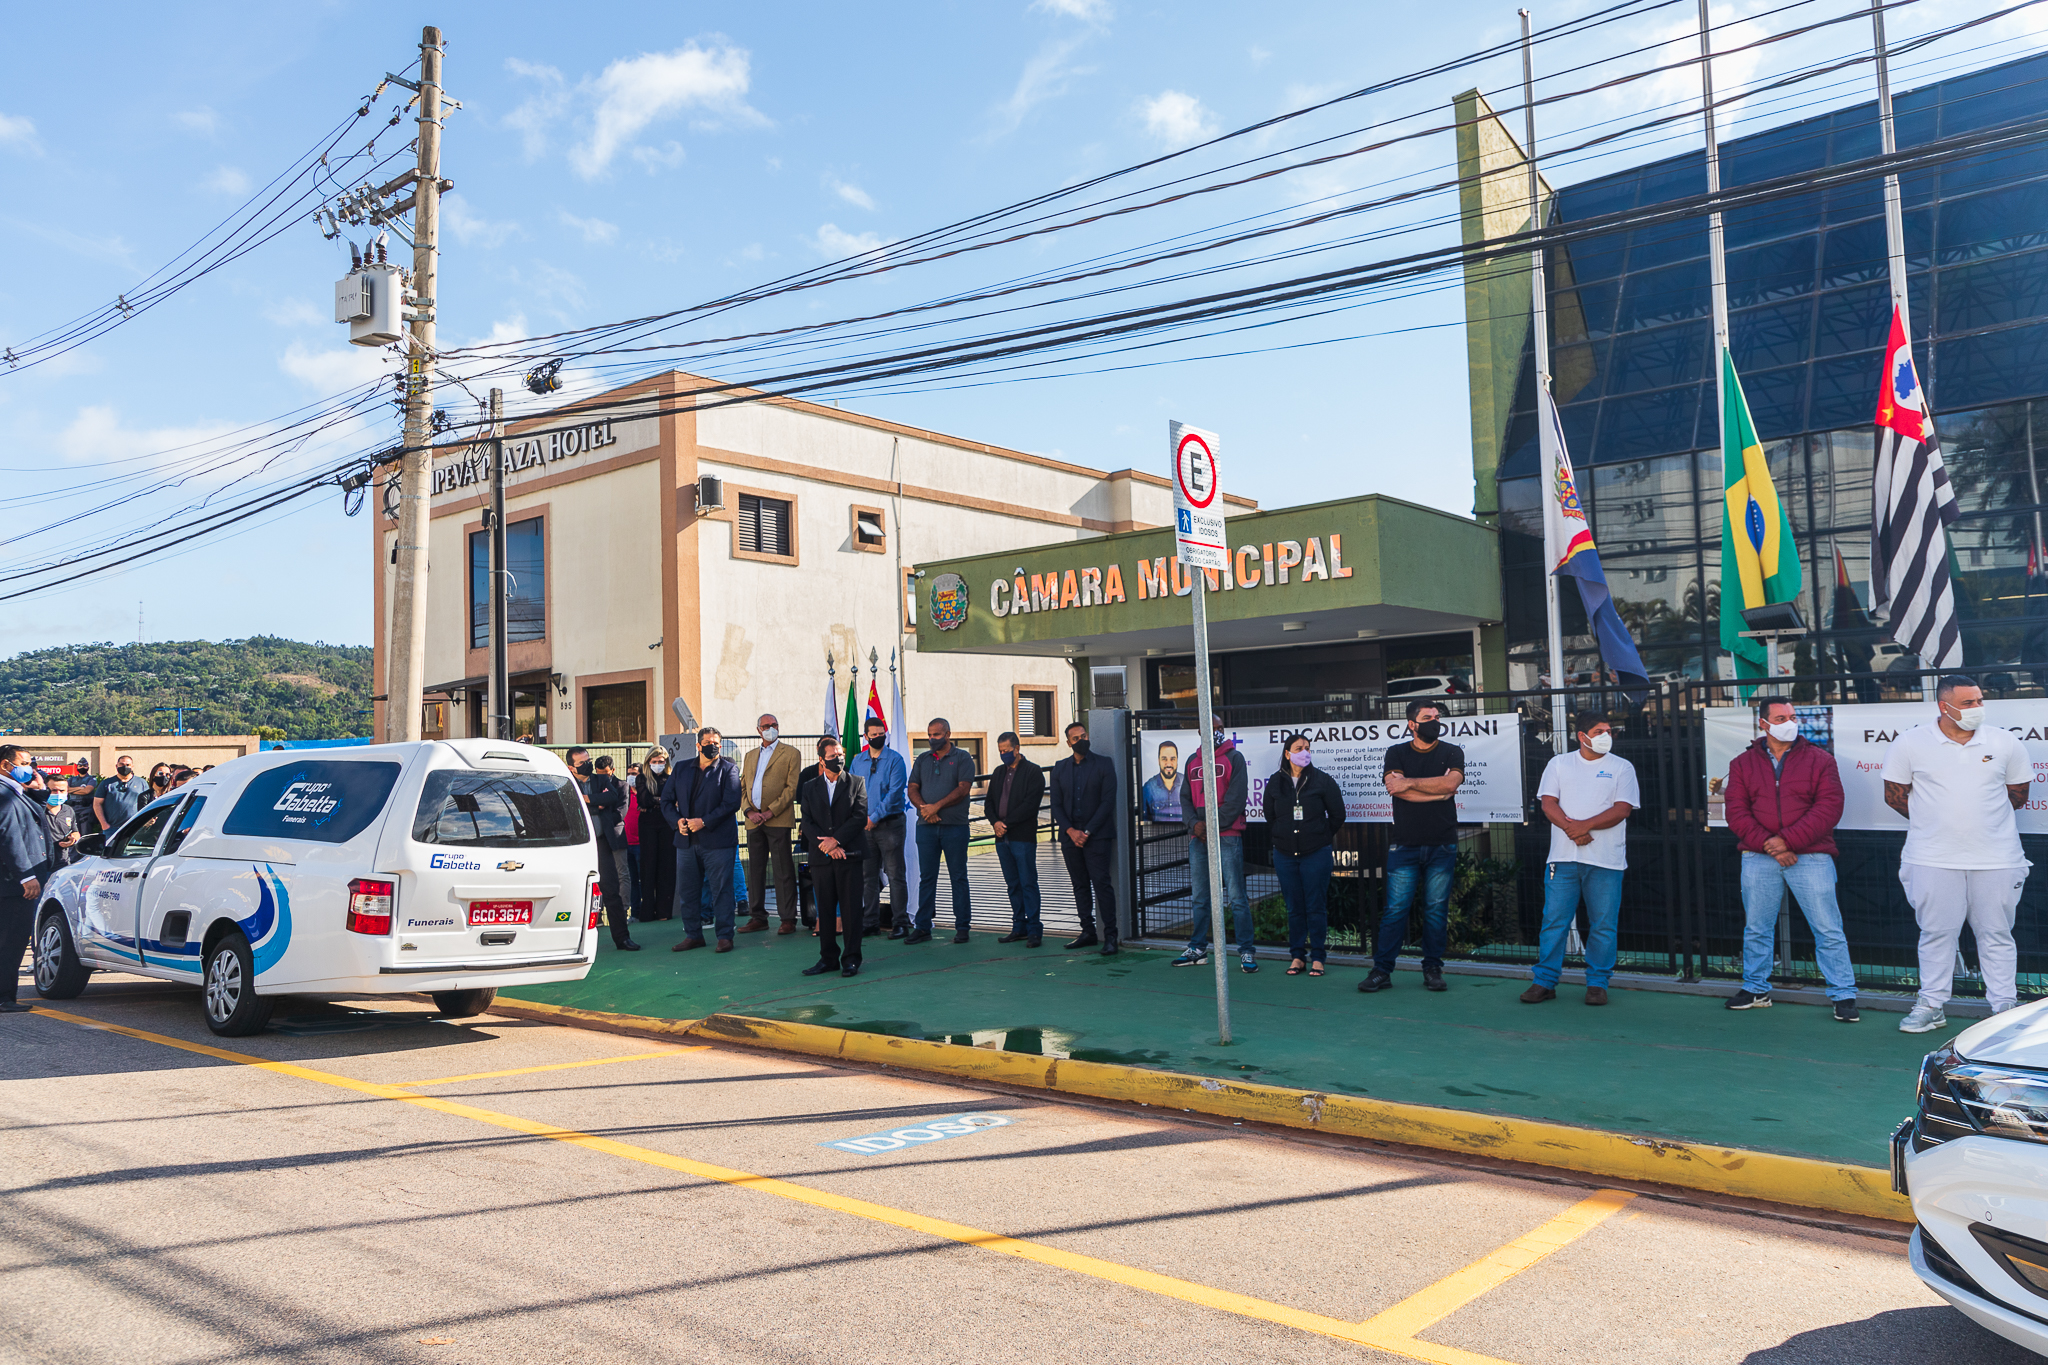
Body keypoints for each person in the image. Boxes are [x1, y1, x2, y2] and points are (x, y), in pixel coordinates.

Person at [1883, 675, 2034, 1032]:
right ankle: (1932, 1005)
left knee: (1997, 934)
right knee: (1936, 934)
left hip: (1997, 858)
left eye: (1979, 700)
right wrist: (1936, 823)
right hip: (1931, 858)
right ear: (1943, 706)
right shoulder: (1909, 743)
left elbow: (2019, 795)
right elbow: (1894, 796)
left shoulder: (2005, 742)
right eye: (1968, 703)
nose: (1977, 708)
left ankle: (2003, 1010)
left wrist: (1978, 825)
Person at [1723, 696, 1857, 1021]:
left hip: (1810, 856)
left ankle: (1843, 995)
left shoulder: (1821, 760)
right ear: (1763, 724)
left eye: (1793, 716)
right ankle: (1756, 988)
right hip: (1759, 856)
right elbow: (1736, 811)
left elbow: (1829, 808)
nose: (1790, 723)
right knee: (1757, 927)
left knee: (1827, 928)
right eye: (1781, 718)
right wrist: (1769, 844)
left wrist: (1787, 842)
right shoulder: (1742, 764)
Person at [1523, 714, 1640, 1007]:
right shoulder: (1559, 763)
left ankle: (1597, 984)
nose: (1606, 735)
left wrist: (1582, 826)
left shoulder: (1622, 767)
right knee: (1554, 921)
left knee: (1603, 924)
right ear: (1581, 736)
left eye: (1609, 731)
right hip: (1563, 859)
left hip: (1606, 861)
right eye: (1599, 731)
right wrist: (1571, 829)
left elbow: (1622, 809)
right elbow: (1548, 803)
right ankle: (1544, 982)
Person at [1361, 701, 1467, 994]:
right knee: (1395, 911)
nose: (1435, 721)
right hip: (1404, 846)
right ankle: (1382, 970)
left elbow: (1451, 785)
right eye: (1427, 717)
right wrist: (1435, 790)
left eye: (1437, 717)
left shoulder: (1452, 751)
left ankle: (1433, 969)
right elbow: (1396, 789)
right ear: (1412, 724)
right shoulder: (1396, 752)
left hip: (1441, 845)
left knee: (1435, 911)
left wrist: (1411, 784)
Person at [1265, 732, 1346, 977]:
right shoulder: (1275, 782)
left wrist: (1320, 836)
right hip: (1285, 854)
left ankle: (1318, 957)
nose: (1305, 752)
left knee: (1316, 906)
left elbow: (1337, 815)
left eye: (1308, 748)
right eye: (1299, 748)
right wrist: (1283, 835)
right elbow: (1270, 816)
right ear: (1288, 754)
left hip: (1316, 853)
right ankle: (1297, 956)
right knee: (1294, 907)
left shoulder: (1322, 781)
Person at [1170, 723, 1248, 971]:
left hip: (1227, 836)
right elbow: (1184, 798)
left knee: (1237, 897)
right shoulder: (1193, 760)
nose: (1217, 730)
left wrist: (1211, 826)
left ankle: (1246, 951)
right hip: (1198, 839)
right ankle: (1198, 948)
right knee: (1200, 897)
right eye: (1211, 726)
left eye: (1220, 727)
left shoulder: (1235, 757)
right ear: (1200, 730)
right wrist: (1195, 825)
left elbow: (1236, 799)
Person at [661, 727, 742, 952]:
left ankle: (725, 936)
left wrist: (704, 822)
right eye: (707, 742)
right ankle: (693, 935)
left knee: (722, 890)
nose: (712, 745)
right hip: (686, 842)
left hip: (718, 843)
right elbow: (666, 801)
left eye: (716, 742)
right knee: (688, 892)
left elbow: (732, 803)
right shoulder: (681, 768)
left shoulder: (729, 769)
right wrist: (677, 822)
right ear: (698, 745)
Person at [799, 737, 869, 978]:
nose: (838, 759)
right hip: (821, 859)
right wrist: (827, 846)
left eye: (840, 755)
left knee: (851, 911)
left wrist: (835, 841)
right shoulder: (809, 787)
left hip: (849, 856)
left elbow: (859, 817)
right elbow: (807, 822)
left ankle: (851, 959)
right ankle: (828, 958)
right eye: (832, 756)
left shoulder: (856, 783)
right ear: (821, 760)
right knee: (825, 910)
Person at [1052, 720, 1122, 956]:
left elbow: (1107, 802)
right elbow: (1056, 805)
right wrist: (1071, 831)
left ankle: (1111, 936)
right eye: (1076, 738)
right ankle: (1087, 932)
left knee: (1101, 884)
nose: (1082, 741)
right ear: (1068, 743)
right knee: (1079, 885)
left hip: (1097, 836)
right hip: (1070, 837)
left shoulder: (1104, 764)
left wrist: (1088, 832)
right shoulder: (1060, 768)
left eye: (1084, 736)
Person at [907, 719, 979, 945]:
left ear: (948, 734)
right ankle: (923, 926)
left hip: (955, 827)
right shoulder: (923, 759)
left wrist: (936, 807)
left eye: (937, 734)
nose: (932, 739)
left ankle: (962, 927)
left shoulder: (963, 758)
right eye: (929, 734)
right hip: (926, 828)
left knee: (958, 876)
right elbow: (912, 788)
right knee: (927, 878)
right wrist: (924, 809)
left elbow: (963, 788)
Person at [739, 713, 801, 935]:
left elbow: (791, 789)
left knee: (783, 869)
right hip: (753, 821)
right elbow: (744, 787)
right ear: (758, 730)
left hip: (778, 820)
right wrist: (748, 811)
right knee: (755, 871)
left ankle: (788, 919)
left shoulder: (792, 753)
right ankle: (758, 917)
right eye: (766, 726)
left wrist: (769, 812)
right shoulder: (749, 755)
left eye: (774, 725)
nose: (771, 728)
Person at [0, 751, 52, 1013]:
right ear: (5, 765)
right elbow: (9, 837)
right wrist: (26, 875)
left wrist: (39, 788)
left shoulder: (14, 791)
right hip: (12, 884)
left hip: (12, 882)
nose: (30, 769)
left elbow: (33, 815)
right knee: (11, 941)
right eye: (23, 764)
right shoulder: (4, 793)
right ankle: (4, 998)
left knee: (10, 940)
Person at [850, 717, 909, 939]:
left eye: (881, 733)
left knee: (895, 875)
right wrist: (860, 818)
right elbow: (852, 789)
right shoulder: (857, 760)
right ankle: (870, 922)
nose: (877, 737)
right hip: (864, 828)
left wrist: (874, 817)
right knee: (868, 876)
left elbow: (895, 792)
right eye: (873, 734)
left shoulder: (895, 760)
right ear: (865, 737)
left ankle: (900, 922)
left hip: (889, 825)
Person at [986, 731, 1046, 947]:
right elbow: (989, 803)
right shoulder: (998, 772)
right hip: (1001, 839)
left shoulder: (1033, 772)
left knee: (1028, 882)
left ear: (1017, 749)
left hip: (1022, 837)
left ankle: (1034, 930)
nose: (1003, 754)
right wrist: (995, 823)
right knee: (1012, 884)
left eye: (1006, 751)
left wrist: (1006, 824)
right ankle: (1018, 926)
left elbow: (1030, 806)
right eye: (1000, 751)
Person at [579, 752, 638, 952]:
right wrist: (598, 803)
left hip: (605, 841)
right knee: (580, 890)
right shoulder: (568, 783)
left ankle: (622, 938)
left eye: (588, 760)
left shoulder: (603, 780)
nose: (587, 765)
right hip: (579, 845)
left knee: (612, 889)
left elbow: (613, 798)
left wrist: (589, 800)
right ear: (572, 766)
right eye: (582, 763)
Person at [635, 747, 675, 920]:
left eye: (661, 761)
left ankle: (664, 911)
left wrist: (656, 800)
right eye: (654, 761)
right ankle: (647, 911)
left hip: (667, 823)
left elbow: (673, 799)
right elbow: (643, 800)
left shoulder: (671, 778)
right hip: (648, 824)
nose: (658, 764)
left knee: (667, 867)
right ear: (648, 762)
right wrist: (662, 800)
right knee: (648, 866)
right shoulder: (642, 778)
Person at [94, 755, 149, 835]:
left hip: (135, 827)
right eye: (122, 764)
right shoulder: (106, 783)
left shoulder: (141, 783)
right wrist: (104, 824)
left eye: (128, 765)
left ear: (132, 766)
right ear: (116, 766)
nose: (125, 767)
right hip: (112, 829)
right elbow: (97, 803)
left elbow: (148, 803)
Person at [1141, 740, 1183, 822]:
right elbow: (1144, 820)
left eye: (1172, 759)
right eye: (1164, 759)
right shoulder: (1149, 787)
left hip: (1185, 833)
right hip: (1158, 834)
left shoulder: (1186, 783)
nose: (1168, 763)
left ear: (1177, 761)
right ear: (1158, 761)